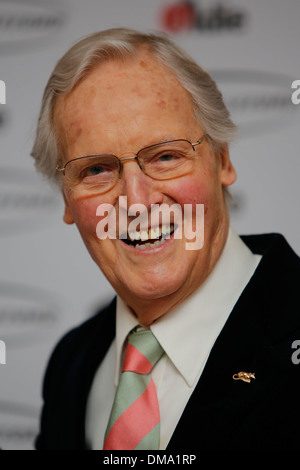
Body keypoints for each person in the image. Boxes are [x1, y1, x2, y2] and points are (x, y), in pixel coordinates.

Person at [31, 28, 300, 450]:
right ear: (66, 198)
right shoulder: (71, 363)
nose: (136, 202)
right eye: (97, 169)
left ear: (223, 160)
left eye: (166, 156)